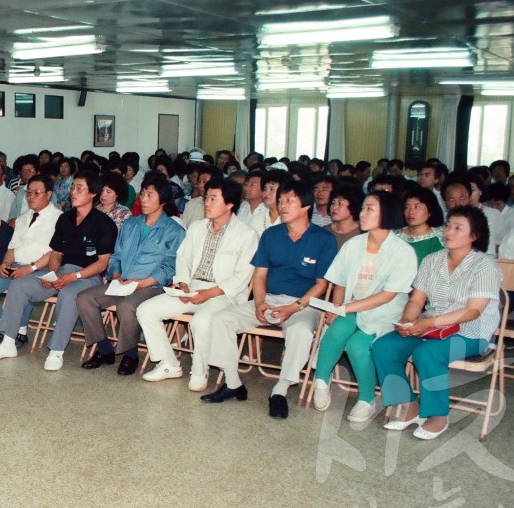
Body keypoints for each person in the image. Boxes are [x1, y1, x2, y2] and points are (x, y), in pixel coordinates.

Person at [200, 179, 337, 419]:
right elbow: (260, 275)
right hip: (269, 298)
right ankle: (233, 383)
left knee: (302, 332)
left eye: (289, 201)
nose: (282, 205)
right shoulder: (271, 235)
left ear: (306, 206)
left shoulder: (323, 239)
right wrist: (260, 302)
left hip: (304, 304)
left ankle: (280, 390)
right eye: (281, 200)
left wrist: (293, 308)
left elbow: (322, 284)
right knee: (222, 319)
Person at [373, 206, 502, 440]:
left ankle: (437, 415)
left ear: (474, 236)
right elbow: (416, 300)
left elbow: (473, 311)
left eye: (457, 227)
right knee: (384, 347)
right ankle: (408, 405)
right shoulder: (432, 260)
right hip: (431, 328)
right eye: (448, 225)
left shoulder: (485, 265)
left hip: (471, 332)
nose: (448, 231)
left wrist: (429, 322)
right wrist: (407, 321)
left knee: (427, 353)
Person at [0, 171, 117, 370]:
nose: (73, 192)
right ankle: (8, 343)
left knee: (69, 293)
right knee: (19, 285)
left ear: (93, 193)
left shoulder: (104, 223)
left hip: (87, 276)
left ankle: (56, 351)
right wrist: (53, 276)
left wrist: (73, 277)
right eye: (73, 187)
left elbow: (102, 263)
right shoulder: (65, 219)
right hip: (62, 272)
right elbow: (55, 254)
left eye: (80, 188)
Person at [137, 178, 259, 390]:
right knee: (146, 310)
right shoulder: (197, 227)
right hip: (192, 288)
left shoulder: (246, 234)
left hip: (223, 294)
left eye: (213, 198)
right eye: (206, 198)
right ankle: (169, 364)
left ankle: (199, 372)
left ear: (230, 204)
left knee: (201, 320)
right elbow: (183, 258)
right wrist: (183, 283)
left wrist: (209, 293)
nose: (207, 203)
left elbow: (241, 276)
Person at [312, 191, 415, 422]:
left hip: (384, 313)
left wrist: (345, 309)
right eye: (363, 208)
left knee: (357, 345)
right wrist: (336, 308)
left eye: (370, 209)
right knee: (338, 328)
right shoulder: (353, 244)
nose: (362, 213)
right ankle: (320, 380)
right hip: (351, 308)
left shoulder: (403, 252)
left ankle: (366, 400)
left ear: (386, 214)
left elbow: (387, 296)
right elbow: (339, 281)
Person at [76, 173, 186, 376]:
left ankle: (130, 354)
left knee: (127, 305)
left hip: (152, 286)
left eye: (149, 195)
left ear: (162, 200)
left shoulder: (173, 230)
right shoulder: (130, 224)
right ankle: (104, 349)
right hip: (123, 282)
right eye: (142, 193)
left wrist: (144, 282)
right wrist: (116, 273)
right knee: (85, 298)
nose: (143, 199)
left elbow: (171, 267)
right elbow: (116, 255)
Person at [0, 175, 62, 346]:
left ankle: (14, 332)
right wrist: (5, 264)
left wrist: (30, 268)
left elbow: (54, 252)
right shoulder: (23, 218)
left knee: (19, 285)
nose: (31, 197)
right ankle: (8, 329)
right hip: (16, 266)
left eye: (37, 193)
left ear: (49, 194)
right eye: (28, 192)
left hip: (41, 270)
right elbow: (12, 249)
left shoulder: (59, 218)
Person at [396, 188, 445, 264]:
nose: (411, 212)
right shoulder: (394, 236)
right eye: (407, 207)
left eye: (417, 207)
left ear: (430, 211)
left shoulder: (441, 239)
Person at [323, 184, 363, 249]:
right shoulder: (324, 232)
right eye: (333, 203)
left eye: (340, 203)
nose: (334, 207)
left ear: (353, 205)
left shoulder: (363, 232)